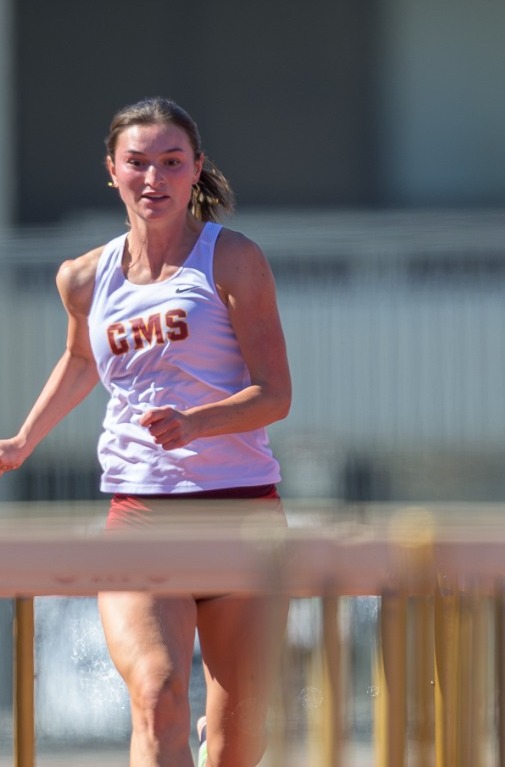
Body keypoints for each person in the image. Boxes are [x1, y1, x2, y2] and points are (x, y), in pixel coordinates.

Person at [0, 98, 290, 767]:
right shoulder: (82, 277)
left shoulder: (233, 259)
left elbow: (276, 394)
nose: (153, 177)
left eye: (170, 162)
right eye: (137, 163)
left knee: (237, 737)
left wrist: (196, 422)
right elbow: (80, 359)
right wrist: (23, 440)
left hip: (240, 514)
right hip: (141, 514)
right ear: (112, 171)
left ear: (196, 171)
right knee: (157, 694)